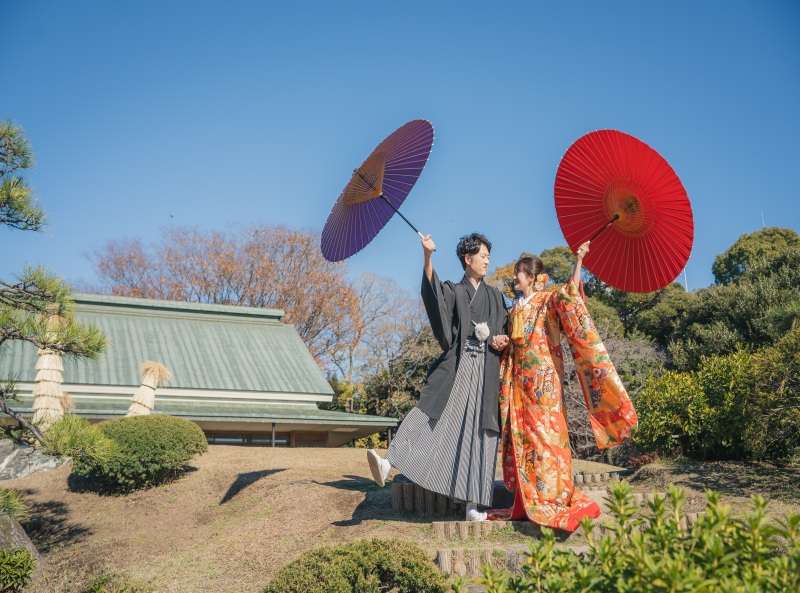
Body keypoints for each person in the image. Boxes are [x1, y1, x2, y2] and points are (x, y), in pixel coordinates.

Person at [486, 241, 638, 532]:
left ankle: (552, 495)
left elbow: (571, 294)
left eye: (518, 272)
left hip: (544, 380)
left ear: (531, 277)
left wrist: (579, 260)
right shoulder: (515, 307)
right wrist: (502, 341)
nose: (514, 277)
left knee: (548, 437)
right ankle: (528, 498)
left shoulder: (548, 299)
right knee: (524, 438)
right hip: (519, 381)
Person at [367, 233, 509, 521]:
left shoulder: (495, 296)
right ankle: (389, 462)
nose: (487, 261)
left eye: (488, 257)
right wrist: (428, 255)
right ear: (468, 259)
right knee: (429, 411)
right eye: (482, 256)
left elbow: (507, 327)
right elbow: (433, 295)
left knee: (480, 434)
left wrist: (502, 339)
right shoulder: (454, 290)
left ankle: (473, 505)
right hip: (458, 366)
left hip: (486, 372)